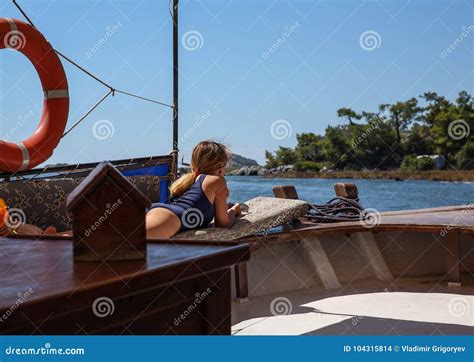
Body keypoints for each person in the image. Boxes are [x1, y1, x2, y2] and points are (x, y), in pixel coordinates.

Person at [146, 140, 241, 238]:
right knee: (133, 243)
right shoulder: (217, 180)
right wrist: (234, 210)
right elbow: (222, 225)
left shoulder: (191, 183)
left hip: (159, 212)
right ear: (221, 166)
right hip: (168, 218)